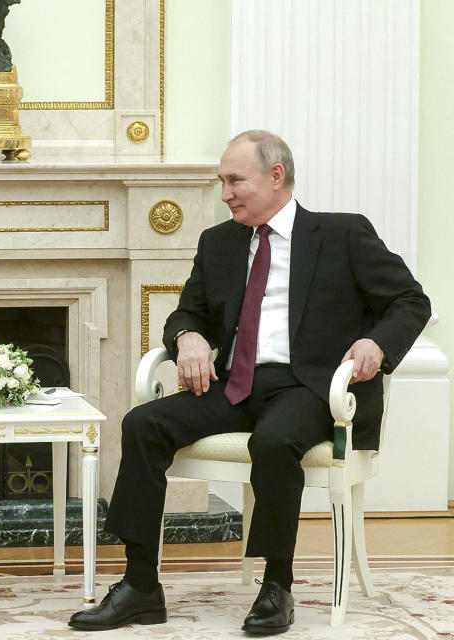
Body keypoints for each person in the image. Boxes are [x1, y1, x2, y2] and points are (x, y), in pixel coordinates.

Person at [68, 130, 431, 634]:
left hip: (311, 387)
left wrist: (377, 345)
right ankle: (140, 586)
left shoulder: (343, 234)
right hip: (236, 385)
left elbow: (411, 301)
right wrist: (189, 338)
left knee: (276, 440)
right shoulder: (218, 243)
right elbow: (185, 315)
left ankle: (276, 585)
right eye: (222, 182)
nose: (225, 193)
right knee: (142, 423)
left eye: (235, 180)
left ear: (275, 176)